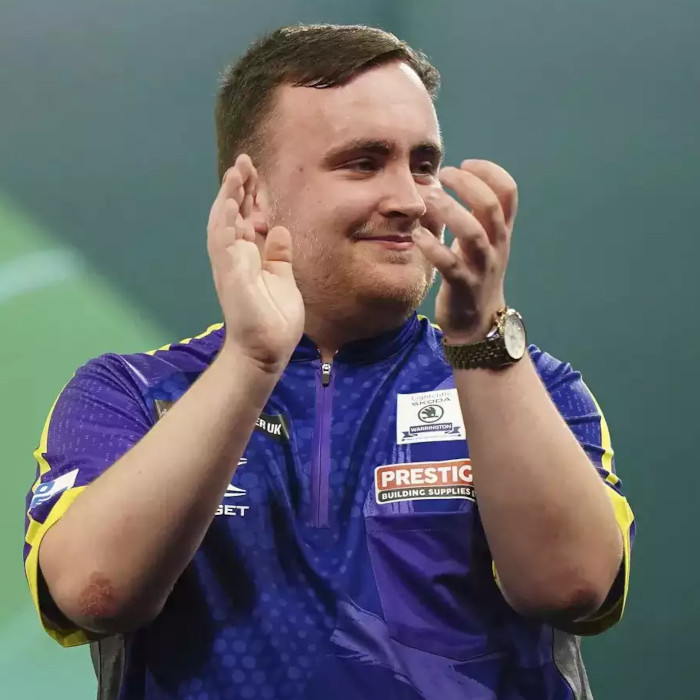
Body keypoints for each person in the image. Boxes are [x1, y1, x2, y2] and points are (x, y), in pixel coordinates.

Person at [23, 23, 634, 700]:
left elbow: (572, 586)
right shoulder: (130, 393)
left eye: (423, 164)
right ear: (252, 196)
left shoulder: (532, 385)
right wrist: (253, 360)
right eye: (364, 162)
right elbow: (96, 592)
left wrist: (479, 343)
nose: (410, 200)